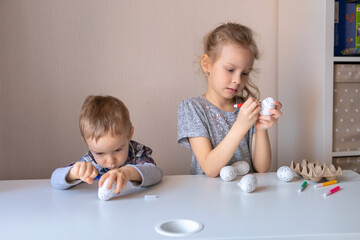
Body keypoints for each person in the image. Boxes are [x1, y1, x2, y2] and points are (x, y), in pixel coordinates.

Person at [177, 22, 282, 177]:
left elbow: (262, 167)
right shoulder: (192, 108)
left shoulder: (246, 110)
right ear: (207, 64)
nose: (237, 80)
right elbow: (210, 168)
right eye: (230, 69)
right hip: (208, 196)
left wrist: (260, 128)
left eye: (245, 73)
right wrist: (240, 125)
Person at [51, 95, 162, 193]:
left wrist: (129, 173)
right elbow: (54, 179)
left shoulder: (136, 153)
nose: (110, 161)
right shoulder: (90, 161)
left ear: (129, 135)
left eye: (118, 150)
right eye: (99, 153)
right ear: (87, 142)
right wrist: (73, 173)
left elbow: (156, 174)